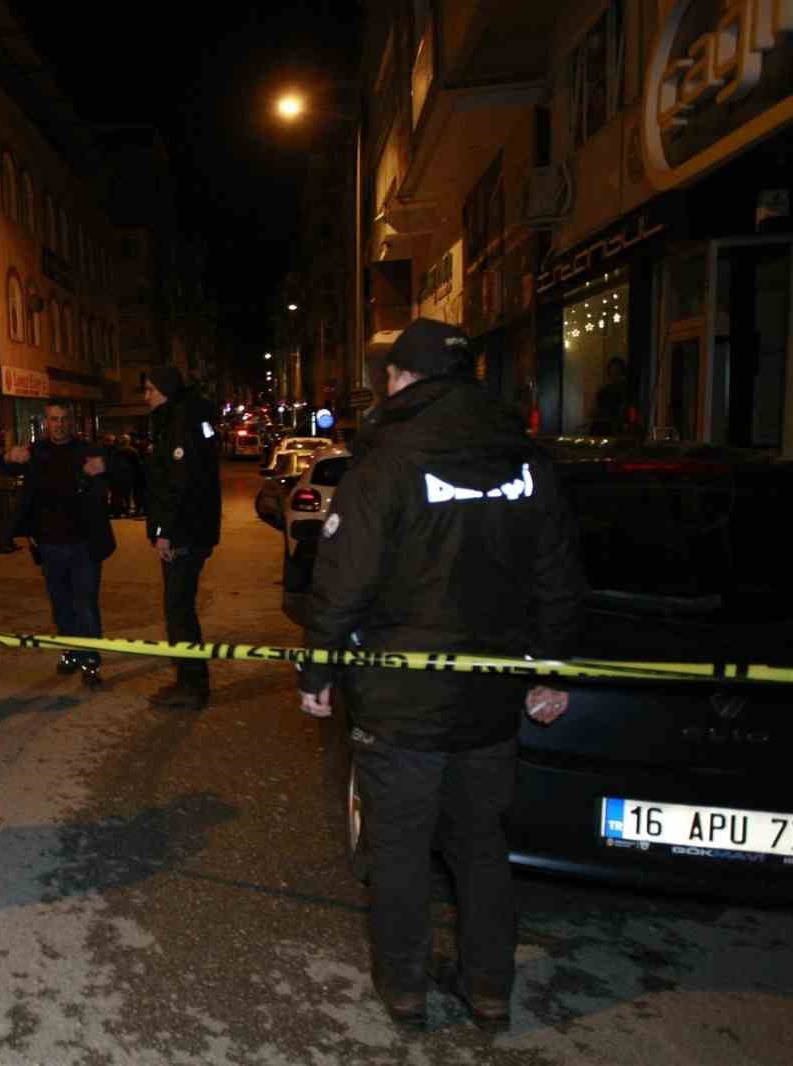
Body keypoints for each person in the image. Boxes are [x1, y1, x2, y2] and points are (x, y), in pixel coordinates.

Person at [297, 318, 584, 1032]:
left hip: (401, 701)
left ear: (400, 378)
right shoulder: (525, 459)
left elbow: (344, 577)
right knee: (481, 844)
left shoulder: (387, 461)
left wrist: (318, 665)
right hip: (489, 697)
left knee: (399, 847)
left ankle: (404, 989)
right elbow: (557, 576)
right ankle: (488, 989)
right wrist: (551, 669)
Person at [0, 402, 114, 689]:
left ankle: (90, 661)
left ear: (71, 422)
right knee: (61, 605)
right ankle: (70, 653)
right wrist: (9, 455)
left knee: (85, 605)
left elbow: (125, 471)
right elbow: (4, 467)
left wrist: (105, 466)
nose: (59, 424)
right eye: (53, 419)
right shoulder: (36, 452)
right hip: (50, 544)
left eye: (63, 419)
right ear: (46, 422)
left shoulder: (87, 451)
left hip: (85, 545)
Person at [143, 367, 222, 710]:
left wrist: (166, 533)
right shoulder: (185, 418)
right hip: (194, 530)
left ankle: (191, 684)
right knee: (180, 606)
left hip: (185, 534)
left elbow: (178, 485)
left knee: (178, 609)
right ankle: (189, 680)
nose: (145, 396)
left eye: (149, 389)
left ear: (165, 390)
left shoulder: (179, 423)